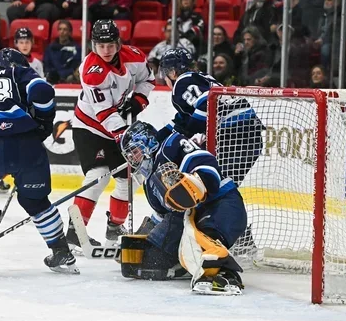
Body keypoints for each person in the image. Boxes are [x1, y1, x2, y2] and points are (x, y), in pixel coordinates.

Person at [0, 48, 78, 276]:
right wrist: (43, 123)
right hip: (27, 144)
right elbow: (42, 89)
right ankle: (62, 252)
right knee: (35, 199)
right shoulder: (17, 73)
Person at [119, 121, 247, 295]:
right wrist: (141, 241)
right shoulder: (149, 183)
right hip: (190, 218)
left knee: (207, 240)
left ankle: (225, 273)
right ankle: (186, 265)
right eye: (130, 155)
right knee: (151, 260)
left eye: (135, 151)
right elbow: (161, 216)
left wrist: (197, 184)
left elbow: (207, 165)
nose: (133, 158)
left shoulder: (170, 145)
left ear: (148, 141)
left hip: (220, 204)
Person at [67, 19, 155, 250]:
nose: (105, 50)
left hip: (118, 124)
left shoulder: (135, 57)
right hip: (90, 126)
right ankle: (75, 232)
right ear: (93, 45)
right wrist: (126, 138)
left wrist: (138, 100)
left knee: (130, 179)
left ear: (118, 43)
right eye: (100, 45)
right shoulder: (91, 71)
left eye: (110, 45)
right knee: (99, 175)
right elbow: (104, 113)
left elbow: (148, 80)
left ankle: (115, 227)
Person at [157, 48, 265, 186]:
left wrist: (193, 130)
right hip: (249, 131)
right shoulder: (201, 77)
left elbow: (205, 104)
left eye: (166, 73)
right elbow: (181, 122)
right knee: (224, 183)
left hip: (233, 132)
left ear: (172, 72)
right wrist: (158, 138)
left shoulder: (182, 83)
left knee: (216, 185)